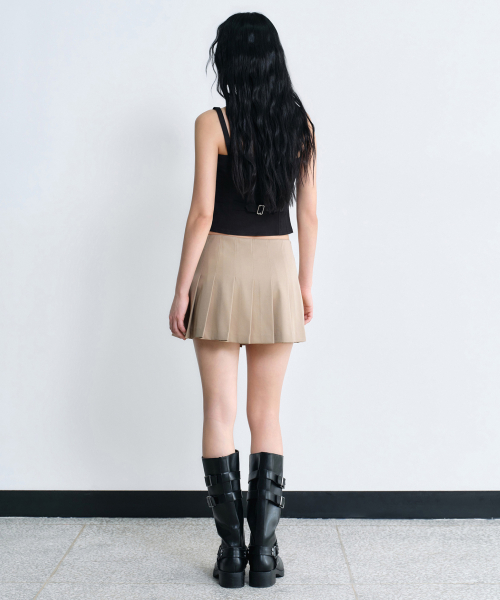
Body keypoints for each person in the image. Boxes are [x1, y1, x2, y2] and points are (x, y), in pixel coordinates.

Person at [169, 12, 317, 589]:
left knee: (219, 413)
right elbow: (309, 215)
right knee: (266, 416)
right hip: (276, 269)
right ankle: (265, 552)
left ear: (228, 61)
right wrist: (304, 284)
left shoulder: (212, 124)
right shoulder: (300, 124)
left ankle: (232, 553)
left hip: (222, 268)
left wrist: (182, 289)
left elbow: (202, 213)